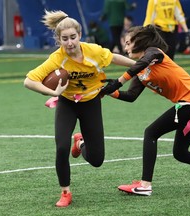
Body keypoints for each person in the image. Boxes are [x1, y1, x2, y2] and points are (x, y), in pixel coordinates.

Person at [101, 25, 190, 196]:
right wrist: (109, 91)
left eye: (129, 42)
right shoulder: (140, 70)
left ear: (140, 42)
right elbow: (131, 95)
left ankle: (145, 185)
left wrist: (118, 81)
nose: (126, 47)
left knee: (150, 133)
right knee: (181, 153)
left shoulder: (154, 52)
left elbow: (144, 62)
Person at [23, 10, 135, 207]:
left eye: (73, 37)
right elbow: (29, 81)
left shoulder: (93, 52)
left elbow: (115, 58)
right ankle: (65, 191)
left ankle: (80, 143)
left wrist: (139, 65)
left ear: (80, 36)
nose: (70, 43)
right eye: (64, 39)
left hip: (91, 103)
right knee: (61, 148)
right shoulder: (57, 58)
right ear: (58, 40)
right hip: (67, 103)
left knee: (97, 159)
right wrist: (52, 93)